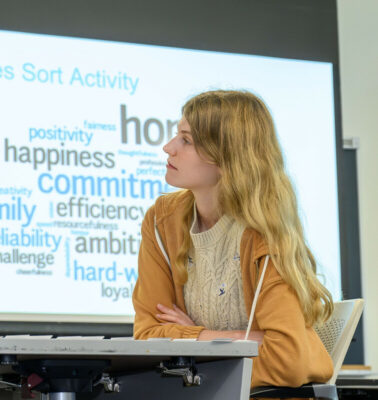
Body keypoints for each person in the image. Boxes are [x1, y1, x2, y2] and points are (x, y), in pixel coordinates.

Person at [132, 90, 334, 389]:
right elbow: (149, 337)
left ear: (227, 157)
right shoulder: (163, 220)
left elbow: (289, 359)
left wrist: (192, 338)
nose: (168, 147)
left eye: (186, 140)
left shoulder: (264, 233)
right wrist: (242, 340)